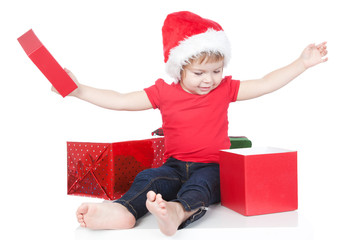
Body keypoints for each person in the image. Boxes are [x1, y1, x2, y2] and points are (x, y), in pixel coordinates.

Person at [54, 11, 328, 236]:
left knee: (203, 186)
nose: (209, 80)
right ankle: (123, 210)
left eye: (216, 71)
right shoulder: (164, 92)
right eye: (199, 73)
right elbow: (122, 100)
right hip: (174, 166)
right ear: (180, 68)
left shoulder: (225, 89)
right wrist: (79, 90)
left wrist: (301, 64)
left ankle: (178, 211)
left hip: (213, 166)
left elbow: (266, 83)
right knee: (148, 178)